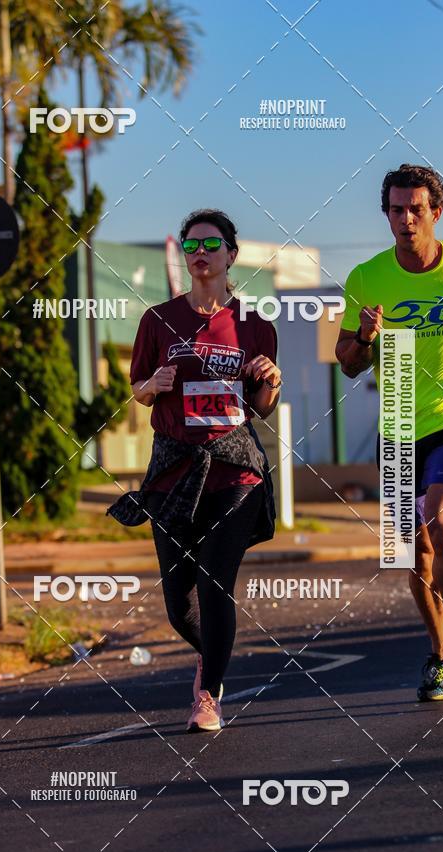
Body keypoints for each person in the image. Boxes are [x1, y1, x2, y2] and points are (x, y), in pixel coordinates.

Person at [107, 209, 281, 731]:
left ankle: (208, 696)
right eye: (190, 245)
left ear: (232, 254)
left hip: (235, 470)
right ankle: (214, 654)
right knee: (179, 606)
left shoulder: (254, 327)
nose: (199, 254)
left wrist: (271, 380)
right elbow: (137, 391)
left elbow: (262, 405)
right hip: (174, 468)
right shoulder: (157, 320)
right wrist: (153, 385)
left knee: (215, 585)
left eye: (210, 244)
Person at [336, 164, 443, 703]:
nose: (405, 220)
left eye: (416, 209)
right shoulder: (366, 278)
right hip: (398, 414)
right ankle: (438, 653)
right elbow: (349, 363)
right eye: (396, 210)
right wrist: (365, 337)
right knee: (412, 551)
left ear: (436, 213)